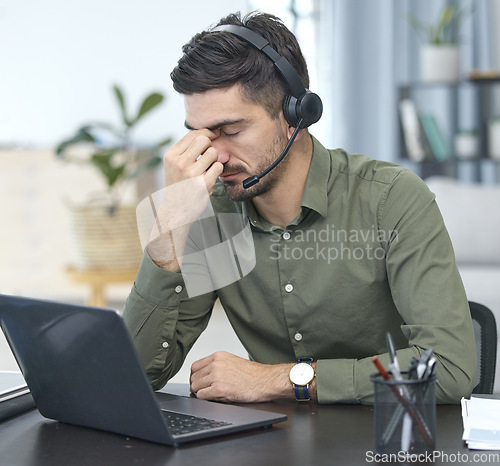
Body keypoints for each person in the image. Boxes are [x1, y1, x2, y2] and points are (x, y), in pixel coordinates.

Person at [122, 11, 476, 404]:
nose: (215, 156)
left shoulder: (391, 200)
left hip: (386, 439)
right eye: (200, 135)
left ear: (296, 114)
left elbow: (448, 368)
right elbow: (137, 375)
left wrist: (282, 379)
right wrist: (169, 224)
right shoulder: (214, 214)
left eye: (232, 131)